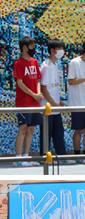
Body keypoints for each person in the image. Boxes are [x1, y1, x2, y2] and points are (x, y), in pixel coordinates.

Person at [37, 39, 70, 162]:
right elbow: (44, 87)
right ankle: (44, 157)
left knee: (58, 133)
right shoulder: (46, 66)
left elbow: (53, 86)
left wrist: (58, 101)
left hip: (55, 107)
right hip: (48, 107)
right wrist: (53, 103)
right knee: (46, 134)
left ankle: (62, 157)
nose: (62, 52)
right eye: (60, 49)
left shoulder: (55, 65)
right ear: (52, 50)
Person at [13, 36, 43, 167]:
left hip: (35, 102)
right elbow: (20, 83)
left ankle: (26, 155)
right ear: (24, 47)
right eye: (31, 46)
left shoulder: (35, 62)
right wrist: (33, 94)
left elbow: (37, 80)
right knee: (23, 128)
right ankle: (17, 158)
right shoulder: (18, 63)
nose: (33, 49)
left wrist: (38, 93)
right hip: (23, 102)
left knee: (31, 129)